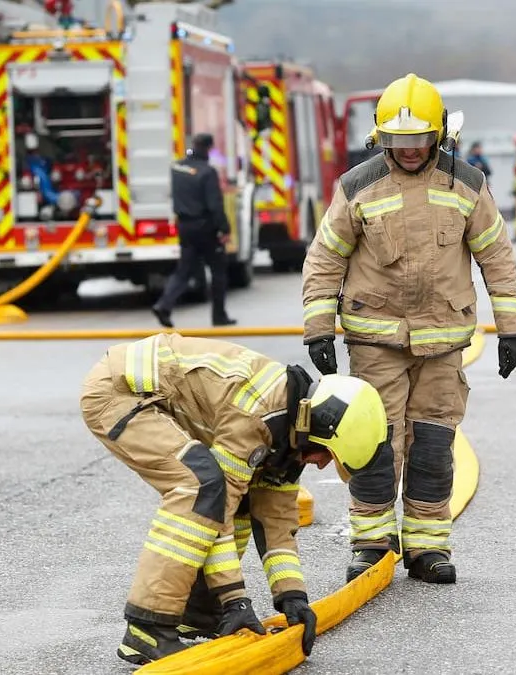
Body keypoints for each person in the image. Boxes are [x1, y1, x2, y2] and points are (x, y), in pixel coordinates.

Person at [300, 73, 516, 586]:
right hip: (375, 341)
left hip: (443, 342)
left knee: (432, 444)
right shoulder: (358, 186)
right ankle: (372, 543)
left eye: (418, 140)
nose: (407, 151)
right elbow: (324, 258)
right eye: (396, 142)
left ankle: (428, 547)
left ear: (440, 134)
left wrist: (512, 328)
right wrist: (319, 328)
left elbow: (497, 255)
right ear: (380, 137)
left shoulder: (467, 185)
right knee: (375, 445)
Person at [80, 334, 389, 665]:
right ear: (320, 428)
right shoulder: (260, 414)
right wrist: (235, 599)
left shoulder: (294, 431)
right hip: (119, 393)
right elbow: (220, 506)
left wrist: (292, 596)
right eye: (325, 454)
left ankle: (198, 612)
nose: (321, 463)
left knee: (237, 501)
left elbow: (277, 521)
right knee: (200, 487)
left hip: (152, 397)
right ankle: (147, 626)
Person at [153, 133, 235, 329]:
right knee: (217, 270)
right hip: (205, 227)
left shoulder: (177, 168)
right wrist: (224, 229)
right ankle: (219, 315)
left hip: (184, 226)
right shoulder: (207, 172)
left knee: (184, 270)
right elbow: (215, 205)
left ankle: (164, 305)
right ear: (208, 148)